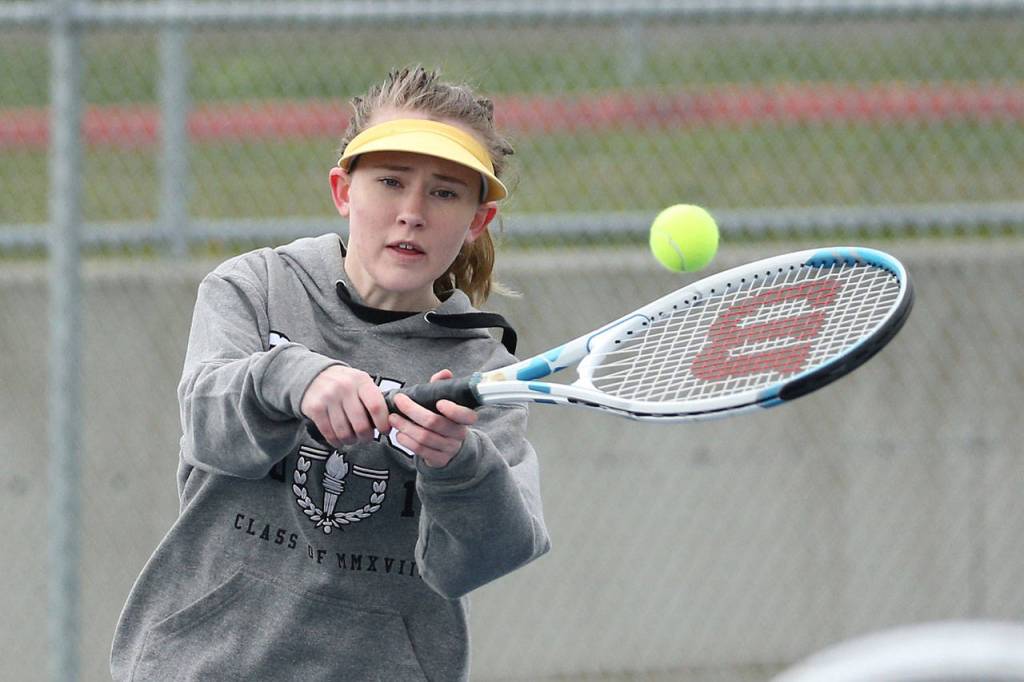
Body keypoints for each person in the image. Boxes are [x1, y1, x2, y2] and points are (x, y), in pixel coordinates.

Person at [111, 66, 550, 681]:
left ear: (477, 220)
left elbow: (484, 557)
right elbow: (208, 426)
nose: (412, 213)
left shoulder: (484, 370)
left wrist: (458, 464)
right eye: (391, 182)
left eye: (445, 193)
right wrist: (293, 376)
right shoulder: (256, 287)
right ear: (344, 191)